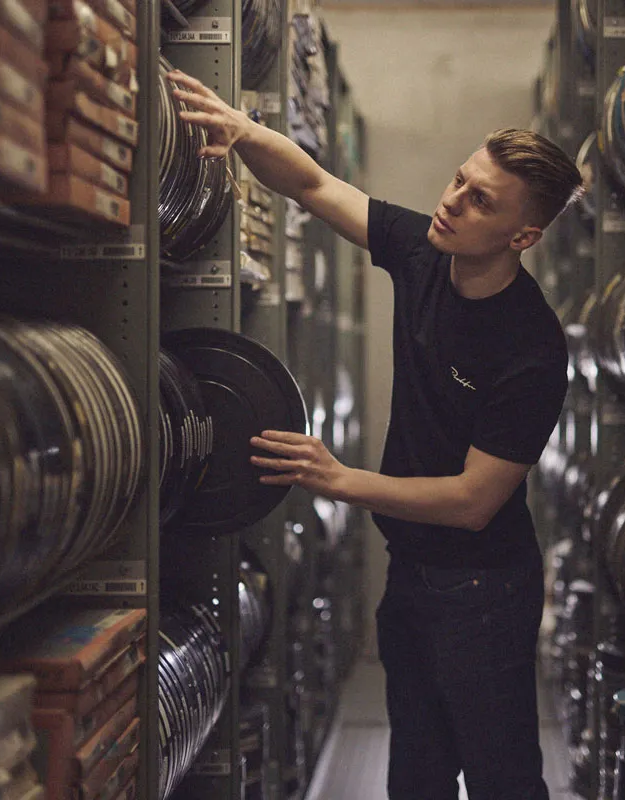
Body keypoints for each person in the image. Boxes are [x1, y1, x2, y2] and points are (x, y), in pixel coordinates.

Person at [170, 69, 582, 800]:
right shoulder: (425, 253)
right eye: (460, 178)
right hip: (412, 578)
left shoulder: (531, 349)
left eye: (479, 199)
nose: (453, 200)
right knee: (416, 778)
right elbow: (315, 187)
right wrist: (244, 131)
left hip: (484, 591)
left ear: (523, 236)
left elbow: (473, 500)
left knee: (503, 782)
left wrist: (338, 479)